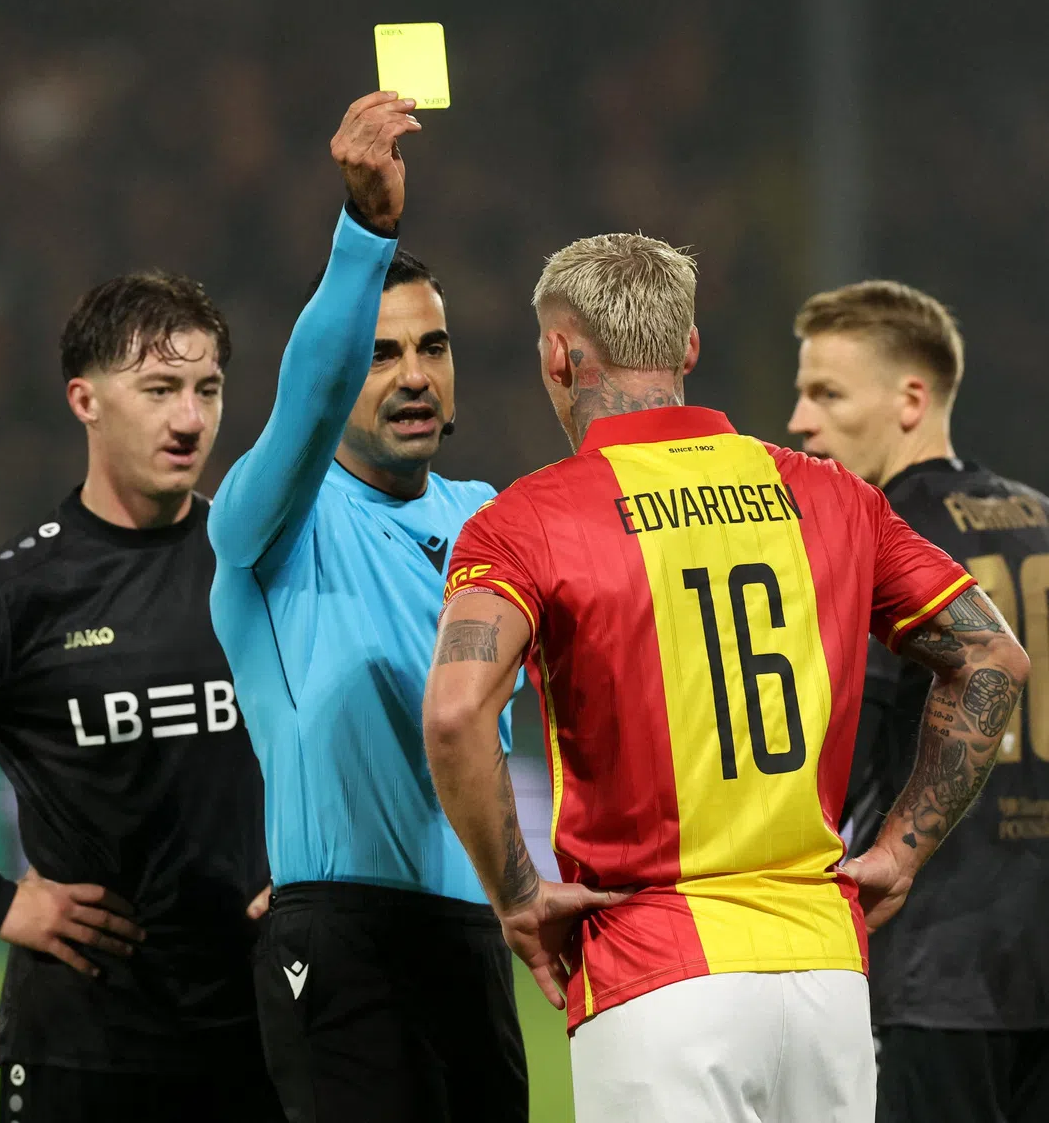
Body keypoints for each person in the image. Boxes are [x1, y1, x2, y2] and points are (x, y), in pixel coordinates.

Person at [422, 233, 1030, 1123]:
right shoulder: (831, 496)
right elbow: (993, 655)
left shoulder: (528, 521)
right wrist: (902, 850)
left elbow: (452, 713)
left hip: (655, 975)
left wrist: (517, 895)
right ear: (690, 347)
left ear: (558, 353)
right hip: (826, 978)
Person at [208, 92, 527, 1123]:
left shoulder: (492, 521)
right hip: (342, 938)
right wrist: (365, 235)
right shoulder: (270, 525)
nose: (413, 376)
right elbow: (304, 399)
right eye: (381, 354)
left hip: (479, 935)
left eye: (431, 348)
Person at [0, 272, 282, 1122]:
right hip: (86, 1048)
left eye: (207, 389)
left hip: (262, 1038)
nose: (189, 419)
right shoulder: (18, 595)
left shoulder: (258, 570)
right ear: (86, 400)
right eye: (159, 390)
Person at [788, 280, 1049, 1123]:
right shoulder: (1042, 519)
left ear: (911, 398)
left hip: (936, 966)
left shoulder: (879, 539)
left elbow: (838, 751)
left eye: (826, 392)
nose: (800, 420)